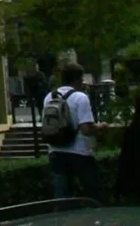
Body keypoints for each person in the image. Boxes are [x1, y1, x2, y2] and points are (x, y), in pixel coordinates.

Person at [41, 62, 100, 202]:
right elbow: (86, 129)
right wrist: (101, 128)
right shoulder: (80, 97)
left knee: (62, 196)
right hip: (79, 153)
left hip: (55, 151)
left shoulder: (49, 97)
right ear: (77, 79)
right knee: (93, 195)